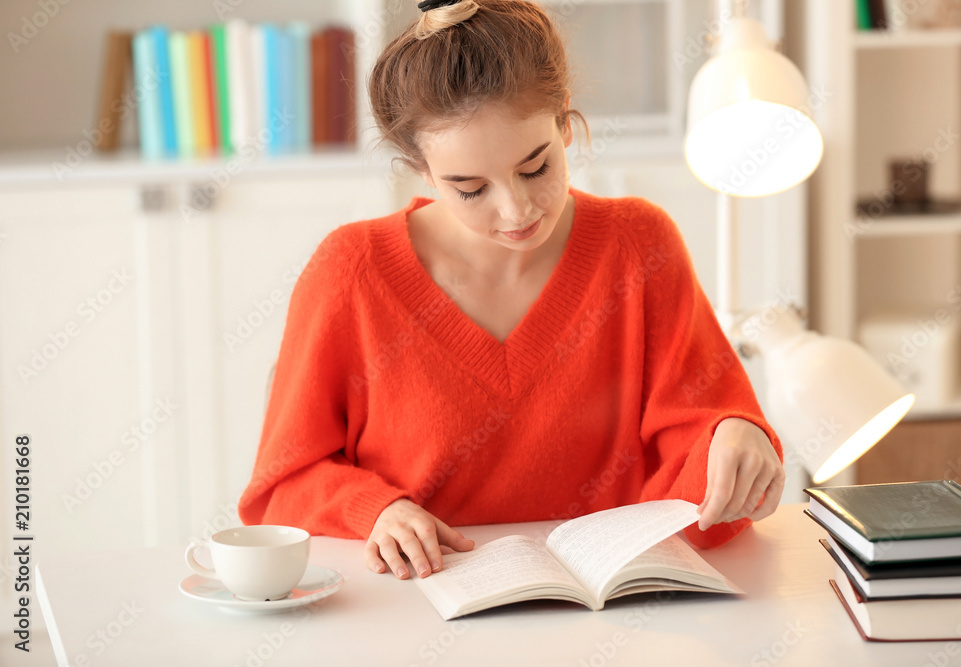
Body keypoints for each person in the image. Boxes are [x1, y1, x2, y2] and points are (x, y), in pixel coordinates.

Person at [238, 0, 784, 582]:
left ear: (566, 126)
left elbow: (699, 428)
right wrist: (375, 509)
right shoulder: (351, 271)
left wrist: (733, 435)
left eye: (535, 167)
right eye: (471, 189)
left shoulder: (638, 244)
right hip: (416, 607)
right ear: (421, 170)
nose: (517, 209)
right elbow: (282, 485)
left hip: (614, 604)